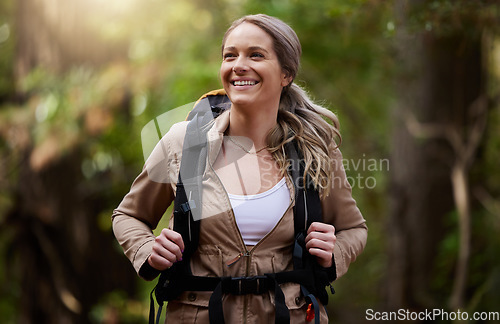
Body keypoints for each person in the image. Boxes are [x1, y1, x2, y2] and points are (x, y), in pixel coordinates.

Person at [112, 14, 367, 323]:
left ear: (286, 74)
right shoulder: (185, 143)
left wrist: (333, 252)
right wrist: (148, 250)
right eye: (229, 55)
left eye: (255, 55)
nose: (238, 65)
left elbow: (353, 229)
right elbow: (129, 215)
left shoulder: (315, 149)